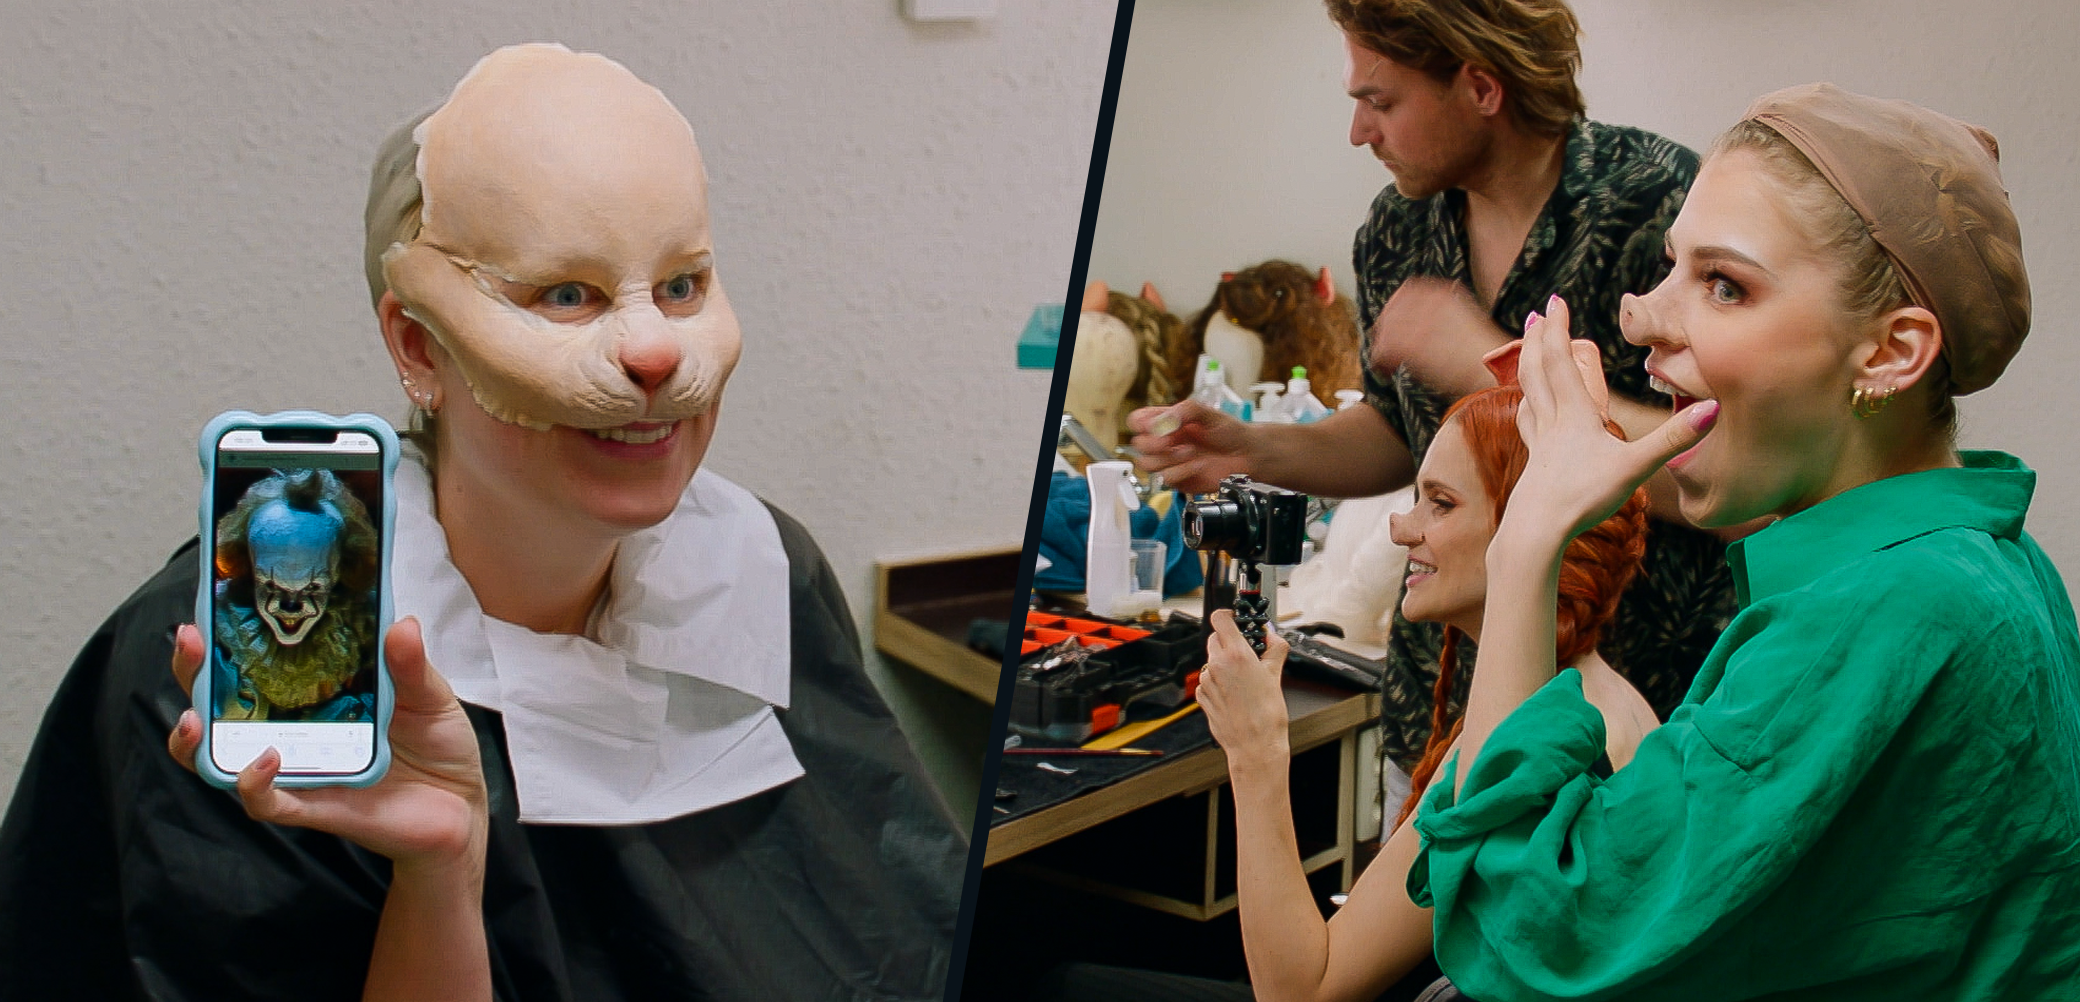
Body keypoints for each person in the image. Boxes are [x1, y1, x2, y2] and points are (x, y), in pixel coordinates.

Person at [0, 43, 963, 1001]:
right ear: (419, 345)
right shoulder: (239, 667)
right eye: (566, 294)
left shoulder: (760, 567)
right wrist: (440, 878)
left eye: (682, 285)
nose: (652, 351)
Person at [1412, 84, 2080, 998]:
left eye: (1726, 286)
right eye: (1671, 267)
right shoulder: (1992, 564)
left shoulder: (1883, 614)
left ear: (1890, 352)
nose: (1640, 316)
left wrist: (1528, 535)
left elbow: (1526, 940)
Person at [1131, 0, 1737, 776]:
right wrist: (1254, 449)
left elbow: (1728, 482)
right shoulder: (1397, 230)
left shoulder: (1662, 207)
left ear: (1481, 87)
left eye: (1380, 102)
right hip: (1437, 713)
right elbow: (1395, 436)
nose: (1360, 133)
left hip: (1631, 728)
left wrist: (1494, 359)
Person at [1032, 369, 1660, 1002]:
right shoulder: (1605, 701)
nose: (1401, 527)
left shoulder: (1525, 743)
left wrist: (1256, 752)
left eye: (1440, 504)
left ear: (1531, 529)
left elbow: (1300, 993)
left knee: (1062, 983)